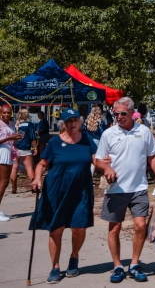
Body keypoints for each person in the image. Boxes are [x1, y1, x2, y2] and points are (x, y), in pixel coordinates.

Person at [94, 97, 155, 284]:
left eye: (122, 113)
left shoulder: (144, 132)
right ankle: (117, 266)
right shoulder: (108, 134)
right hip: (115, 189)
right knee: (115, 228)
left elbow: (153, 157)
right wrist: (106, 168)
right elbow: (98, 159)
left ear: (132, 112)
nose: (118, 117)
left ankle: (134, 264)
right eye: (115, 113)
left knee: (141, 225)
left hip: (138, 188)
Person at [29, 108, 96, 284]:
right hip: (56, 189)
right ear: (63, 124)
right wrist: (37, 178)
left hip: (81, 189)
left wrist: (108, 166)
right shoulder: (54, 142)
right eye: (68, 121)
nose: (72, 123)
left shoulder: (87, 140)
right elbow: (42, 163)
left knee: (79, 227)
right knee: (56, 229)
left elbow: (97, 159)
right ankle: (55, 267)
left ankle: (74, 257)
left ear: (80, 122)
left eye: (75, 120)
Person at [0, 104, 24, 222]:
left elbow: (11, 137)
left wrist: (16, 138)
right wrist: (9, 139)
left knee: (4, 182)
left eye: (8, 113)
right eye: (4, 112)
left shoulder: (11, 124)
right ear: (0, 112)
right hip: (2, 152)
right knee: (3, 182)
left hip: (9, 151)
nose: (6, 115)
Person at [10, 108, 37, 194]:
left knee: (14, 168)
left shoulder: (16, 124)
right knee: (29, 168)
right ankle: (33, 187)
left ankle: (14, 188)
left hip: (16, 148)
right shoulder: (29, 124)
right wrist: (35, 147)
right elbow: (33, 137)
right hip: (25, 148)